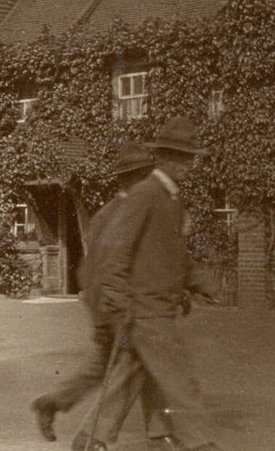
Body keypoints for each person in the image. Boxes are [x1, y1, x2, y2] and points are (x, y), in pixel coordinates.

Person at [76, 116, 223, 451]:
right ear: (164, 157)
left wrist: (201, 284)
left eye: (189, 158)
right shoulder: (145, 194)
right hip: (144, 310)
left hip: (157, 307)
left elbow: (174, 256)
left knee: (132, 376)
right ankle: (200, 443)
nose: (185, 164)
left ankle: (95, 440)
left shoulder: (171, 198)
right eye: (178, 157)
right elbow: (115, 252)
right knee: (180, 380)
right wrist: (116, 301)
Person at [32, 141, 180, 447]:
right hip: (117, 304)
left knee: (110, 365)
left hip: (103, 302)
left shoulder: (111, 212)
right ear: (132, 178)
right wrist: (116, 309)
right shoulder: (127, 213)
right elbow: (112, 266)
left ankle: (54, 402)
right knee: (136, 363)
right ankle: (93, 438)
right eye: (143, 174)